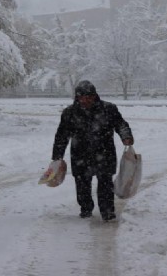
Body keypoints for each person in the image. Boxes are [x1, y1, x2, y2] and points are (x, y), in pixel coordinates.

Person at [52, 80, 134, 221]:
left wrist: (126, 136)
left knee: (105, 184)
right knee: (82, 184)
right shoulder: (70, 113)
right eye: (81, 97)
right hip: (80, 155)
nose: (85, 100)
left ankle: (107, 212)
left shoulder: (109, 109)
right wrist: (57, 156)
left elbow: (121, 124)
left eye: (88, 97)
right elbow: (62, 135)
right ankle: (86, 210)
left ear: (95, 96)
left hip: (105, 153)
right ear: (77, 97)